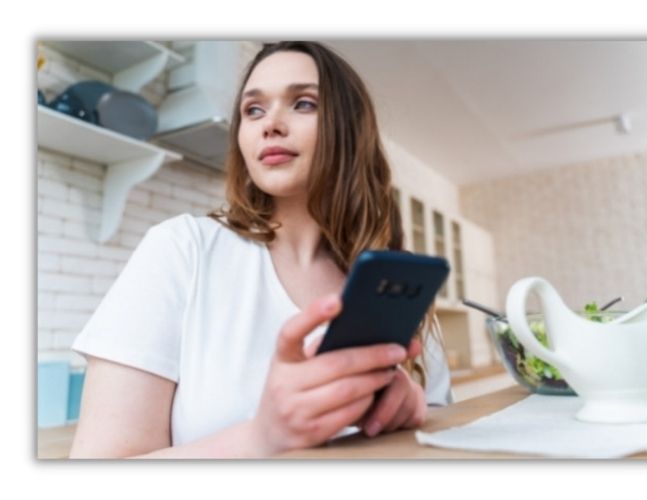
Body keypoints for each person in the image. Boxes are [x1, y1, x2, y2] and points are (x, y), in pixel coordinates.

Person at [69, 41, 453, 459]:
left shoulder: (395, 288)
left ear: (350, 129)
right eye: (253, 110)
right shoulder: (183, 248)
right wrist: (262, 438)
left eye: (303, 103)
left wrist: (410, 415)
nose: (270, 124)